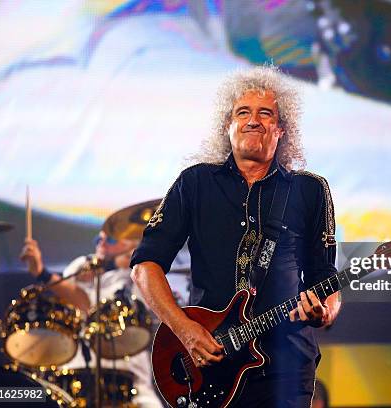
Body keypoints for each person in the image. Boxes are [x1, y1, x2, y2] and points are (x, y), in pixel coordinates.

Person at [130, 65, 342, 407]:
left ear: (282, 130)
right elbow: (145, 267)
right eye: (243, 112)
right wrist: (184, 329)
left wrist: (325, 311)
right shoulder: (195, 183)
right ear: (227, 126)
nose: (253, 120)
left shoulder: (309, 190)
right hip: (210, 365)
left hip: (287, 364)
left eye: (265, 114)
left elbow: (325, 280)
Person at [20, 231, 163, 407]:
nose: (102, 243)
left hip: (130, 378)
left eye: (110, 238)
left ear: (131, 243)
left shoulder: (140, 272)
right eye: (99, 239)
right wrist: (42, 273)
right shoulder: (82, 265)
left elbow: (93, 305)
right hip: (79, 373)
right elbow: (81, 302)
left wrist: (135, 257)